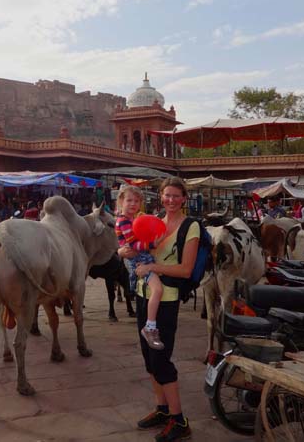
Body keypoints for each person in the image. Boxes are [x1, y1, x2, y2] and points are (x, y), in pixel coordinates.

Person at [120, 177, 197, 441]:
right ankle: (162, 409)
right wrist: (124, 252)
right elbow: (133, 246)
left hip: (166, 299)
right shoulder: (154, 220)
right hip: (145, 294)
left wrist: (151, 267)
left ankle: (179, 420)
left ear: (184, 198)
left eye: (176, 196)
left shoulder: (191, 226)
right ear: (160, 197)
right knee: (148, 358)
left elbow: (185, 269)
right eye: (167, 195)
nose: (171, 200)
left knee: (161, 360)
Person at [116, 185, 164, 351]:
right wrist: (152, 243)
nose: (133, 204)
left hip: (140, 257)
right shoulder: (123, 221)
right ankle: (150, 327)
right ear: (121, 201)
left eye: (136, 201)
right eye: (129, 200)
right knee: (157, 289)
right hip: (139, 259)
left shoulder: (133, 219)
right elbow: (133, 244)